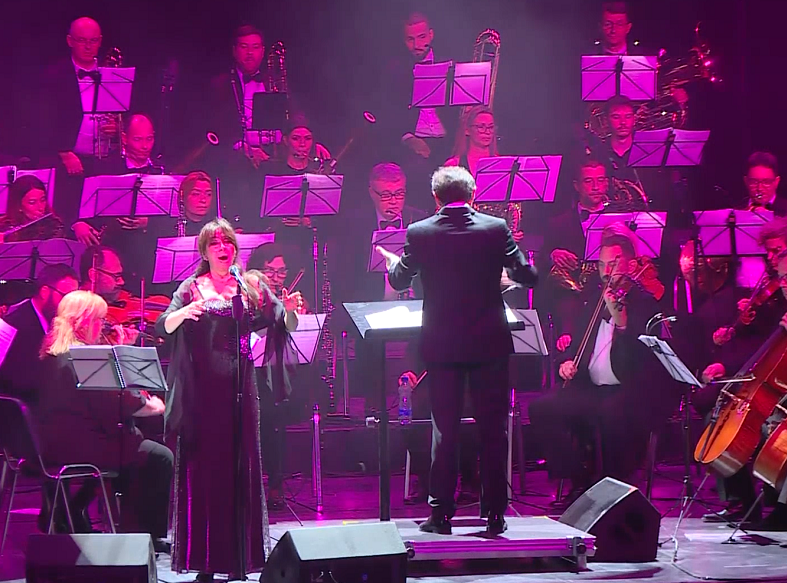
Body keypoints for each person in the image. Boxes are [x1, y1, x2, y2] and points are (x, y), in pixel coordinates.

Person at [377, 166, 537, 535]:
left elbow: (401, 280)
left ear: (436, 197)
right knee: (493, 430)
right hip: (489, 343)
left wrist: (392, 265)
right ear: (473, 194)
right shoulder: (496, 228)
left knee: (444, 431)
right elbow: (526, 275)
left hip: (443, 345)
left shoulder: (420, 232)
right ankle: (495, 513)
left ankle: (441, 514)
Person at [155, 218, 300, 580]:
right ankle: (206, 561)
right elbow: (163, 325)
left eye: (229, 243)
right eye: (216, 244)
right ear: (204, 251)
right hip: (203, 392)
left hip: (241, 388)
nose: (224, 248)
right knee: (205, 473)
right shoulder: (190, 287)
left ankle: (238, 560)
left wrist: (293, 309)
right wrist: (182, 314)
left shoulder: (249, 285)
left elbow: (283, 322)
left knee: (241, 469)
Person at [528, 224, 677, 505]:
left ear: (631, 266)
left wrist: (621, 322)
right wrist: (566, 362)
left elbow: (642, 361)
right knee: (542, 409)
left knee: (612, 414)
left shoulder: (646, 303)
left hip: (630, 390)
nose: (607, 272)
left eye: (614, 264)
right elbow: (576, 347)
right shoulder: (592, 301)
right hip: (591, 387)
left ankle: (612, 488)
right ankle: (579, 480)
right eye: (602, 265)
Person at [34, 290, 171, 546]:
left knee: (132, 447)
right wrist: (153, 405)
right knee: (159, 457)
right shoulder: (87, 357)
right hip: (83, 448)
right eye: (101, 321)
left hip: (53, 444)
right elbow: (121, 406)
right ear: (84, 322)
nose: (103, 327)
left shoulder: (52, 352)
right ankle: (144, 534)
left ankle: (71, 511)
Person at [379, 12, 457, 211]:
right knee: (415, 175)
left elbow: (459, 112)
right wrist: (408, 138)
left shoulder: (449, 64)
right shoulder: (395, 70)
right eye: (410, 39)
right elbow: (387, 114)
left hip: (448, 140)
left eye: (422, 37)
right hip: (415, 141)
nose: (417, 45)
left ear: (431, 35)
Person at [541, 158, 610, 345]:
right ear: (576, 186)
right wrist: (553, 255)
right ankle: (566, 342)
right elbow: (541, 261)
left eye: (601, 180)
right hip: (574, 300)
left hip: (610, 295)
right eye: (589, 181)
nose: (596, 186)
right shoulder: (558, 223)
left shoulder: (621, 219)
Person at [0, 264, 79, 401]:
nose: (70, 305)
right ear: (44, 292)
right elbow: (16, 381)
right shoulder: (15, 325)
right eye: (65, 297)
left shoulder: (56, 319)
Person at [0, 175, 65, 242]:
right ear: (19, 206)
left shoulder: (53, 225)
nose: (40, 207)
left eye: (43, 200)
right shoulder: (3, 226)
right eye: (32, 202)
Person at [743, 151, 786, 216]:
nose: (759, 188)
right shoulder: (736, 210)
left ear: (776, 182)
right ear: (746, 181)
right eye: (754, 182)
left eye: (766, 182)